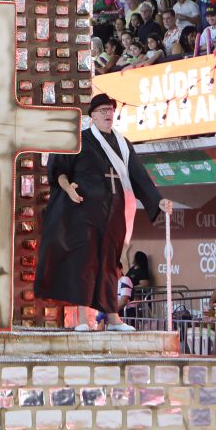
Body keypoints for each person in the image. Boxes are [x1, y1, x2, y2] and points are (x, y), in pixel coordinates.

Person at [34, 94, 173, 333]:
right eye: (103, 111)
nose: (109, 114)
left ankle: (113, 318)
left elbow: (138, 176)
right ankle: (80, 319)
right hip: (83, 214)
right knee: (83, 264)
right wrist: (68, 188)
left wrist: (158, 201)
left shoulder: (122, 144)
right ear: (93, 116)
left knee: (110, 265)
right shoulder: (80, 140)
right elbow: (59, 170)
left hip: (113, 215)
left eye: (110, 110)